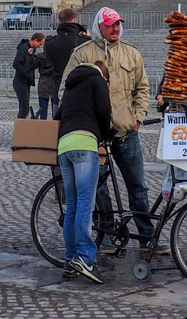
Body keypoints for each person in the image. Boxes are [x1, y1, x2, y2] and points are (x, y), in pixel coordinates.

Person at [59, 8, 160, 251]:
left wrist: (138, 118)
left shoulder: (131, 53)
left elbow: (143, 89)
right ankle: (103, 231)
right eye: (110, 25)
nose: (115, 29)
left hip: (126, 133)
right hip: (95, 137)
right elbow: (65, 90)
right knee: (97, 189)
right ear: (98, 26)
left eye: (117, 24)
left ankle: (147, 236)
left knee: (138, 186)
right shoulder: (82, 54)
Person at [56, 60, 112, 283]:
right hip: (84, 144)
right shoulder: (97, 81)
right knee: (85, 204)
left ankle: (69, 261)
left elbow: (57, 115)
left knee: (72, 205)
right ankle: (86, 258)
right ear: (104, 77)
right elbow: (104, 110)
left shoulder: (71, 85)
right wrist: (106, 134)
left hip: (64, 146)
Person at [42, 7, 91, 116]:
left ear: (59, 21)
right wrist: (88, 38)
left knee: (58, 129)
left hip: (58, 93)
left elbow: (48, 60)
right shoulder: (85, 42)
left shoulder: (50, 43)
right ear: (75, 20)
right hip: (80, 94)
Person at [12, 32, 44, 119]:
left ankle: (21, 127)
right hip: (21, 82)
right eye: (40, 44)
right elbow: (16, 63)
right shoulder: (24, 48)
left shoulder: (30, 49)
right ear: (35, 41)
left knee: (24, 108)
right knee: (24, 109)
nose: (40, 46)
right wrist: (26, 75)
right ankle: (20, 128)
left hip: (25, 82)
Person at [33, 42, 56, 120]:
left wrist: (30, 56)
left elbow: (30, 65)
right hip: (54, 83)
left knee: (43, 110)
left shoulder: (40, 57)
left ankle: (43, 127)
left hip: (43, 82)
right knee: (55, 111)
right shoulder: (58, 57)